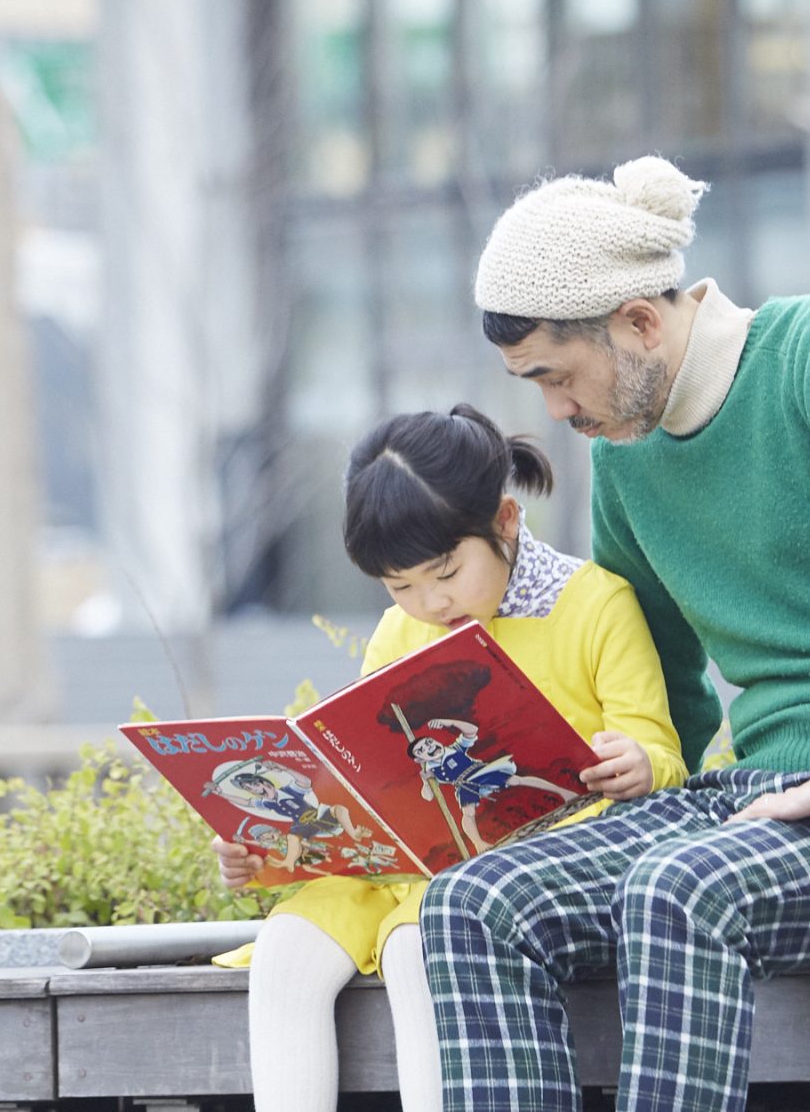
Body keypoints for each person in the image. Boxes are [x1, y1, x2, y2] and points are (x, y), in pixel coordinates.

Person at [422, 157, 810, 1112]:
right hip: (759, 799)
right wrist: (615, 769)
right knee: (474, 906)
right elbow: (656, 679)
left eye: (555, 375)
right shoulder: (629, 464)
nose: (552, 412)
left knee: (680, 887)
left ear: (637, 322)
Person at [214, 403, 685, 1112]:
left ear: (505, 519)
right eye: (399, 585)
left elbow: (664, 754)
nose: (428, 602)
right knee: (285, 952)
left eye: (445, 571)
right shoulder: (398, 631)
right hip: (407, 862)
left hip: (526, 859)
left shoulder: (594, 604)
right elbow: (362, 785)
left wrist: (640, 762)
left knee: (418, 948)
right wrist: (269, 843)